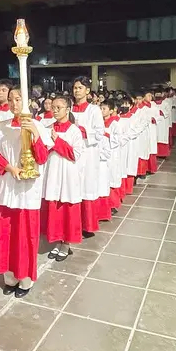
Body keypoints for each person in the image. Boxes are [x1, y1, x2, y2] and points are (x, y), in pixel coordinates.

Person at [0, 88, 52, 297]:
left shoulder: (38, 126)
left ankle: (25, 280)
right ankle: (9, 278)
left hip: (26, 190)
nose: (14, 103)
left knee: (24, 235)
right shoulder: (3, 127)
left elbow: (41, 158)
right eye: (12, 99)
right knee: (5, 234)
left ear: (28, 102)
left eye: (19, 99)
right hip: (6, 185)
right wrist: (10, 168)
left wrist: (33, 133)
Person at [42, 96, 84, 261]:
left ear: (68, 110)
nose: (55, 110)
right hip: (52, 171)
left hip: (67, 173)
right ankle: (57, 241)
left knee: (67, 207)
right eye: (53, 107)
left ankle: (66, 244)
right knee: (54, 206)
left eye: (59, 107)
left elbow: (75, 154)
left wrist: (57, 141)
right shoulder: (48, 127)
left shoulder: (74, 130)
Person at [71, 77, 105, 235]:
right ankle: (73, 223)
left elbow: (99, 133)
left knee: (87, 186)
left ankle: (88, 225)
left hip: (88, 152)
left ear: (87, 91)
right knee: (73, 187)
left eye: (80, 87)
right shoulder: (69, 108)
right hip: (72, 153)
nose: (76, 90)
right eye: (75, 87)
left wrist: (82, 130)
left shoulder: (94, 110)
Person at [153, 89, 172, 158]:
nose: (158, 96)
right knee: (155, 137)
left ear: (162, 95)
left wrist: (162, 112)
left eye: (159, 95)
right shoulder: (152, 104)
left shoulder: (166, 103)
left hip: (163, 123)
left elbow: (168, 111)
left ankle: (163, 153)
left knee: (162, 137)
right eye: (156, 95)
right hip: (155, 123)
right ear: (154, 95)